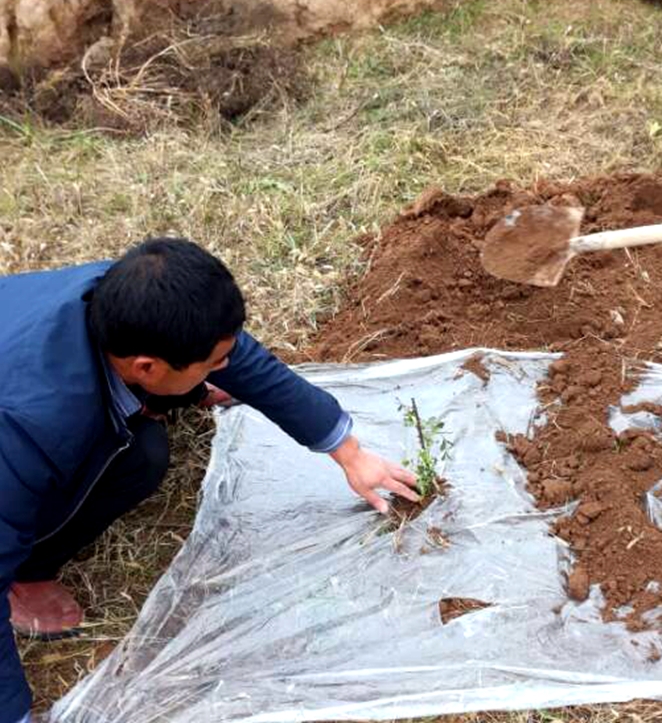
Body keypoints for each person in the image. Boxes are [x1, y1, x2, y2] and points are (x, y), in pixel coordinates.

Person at [0, 238, 419, 722]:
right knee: (139, 459)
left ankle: (174, 391)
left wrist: (348, 452)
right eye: (213, 363)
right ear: (146, 367)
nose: (227, 368)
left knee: (145, 442)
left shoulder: (128, 295)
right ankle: (28, 576)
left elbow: (243, 359)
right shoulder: (30, 430)